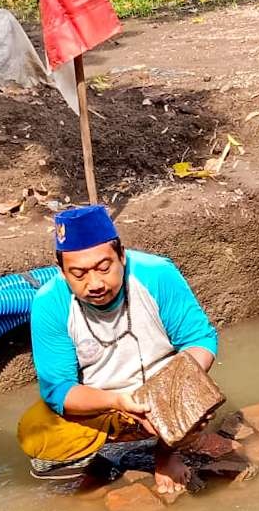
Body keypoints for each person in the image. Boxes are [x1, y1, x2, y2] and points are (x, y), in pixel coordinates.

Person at [17, 204, 217, 495]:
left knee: (199, 397)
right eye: (79, 274)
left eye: (103, 267)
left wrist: (171, 392)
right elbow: (59, 390)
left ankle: (166, 453)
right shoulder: (49, 302)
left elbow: (200, 340)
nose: (95, 283)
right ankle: (96, 462)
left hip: (165, 389)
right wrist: (119, 402)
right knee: (34, 430)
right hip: (105, 402)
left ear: (121, 255)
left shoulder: (157, 274)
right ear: (61, 271)